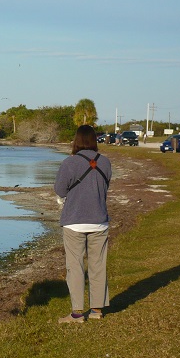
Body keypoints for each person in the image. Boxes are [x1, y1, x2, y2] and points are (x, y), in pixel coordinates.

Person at [54, 125, 112, 323]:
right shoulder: (105, 162)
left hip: (74, 222)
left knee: (75, 267)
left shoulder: (69, 162)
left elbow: (60, 190)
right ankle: (97, 310)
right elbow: (105, 187)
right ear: (94, 140)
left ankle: (77, 313)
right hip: (99, 221)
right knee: (98, 265)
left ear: (76, 140)